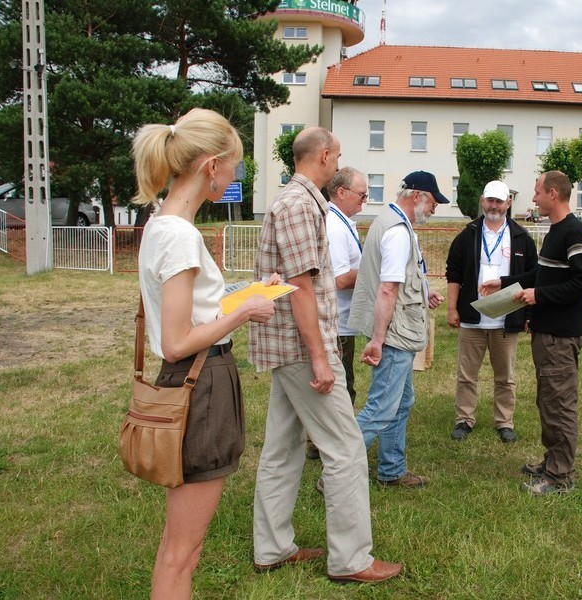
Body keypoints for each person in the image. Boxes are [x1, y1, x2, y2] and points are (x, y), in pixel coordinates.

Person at [132, 108, 278, 599]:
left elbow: (193, 310)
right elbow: (177, 340)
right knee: (183, 552)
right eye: (234, 165)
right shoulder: (180, 235)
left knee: (178, 547)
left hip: (194, 379)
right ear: (211, 166)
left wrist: (250, 293)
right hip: (200, 383)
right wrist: (245, 312)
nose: (236, 175)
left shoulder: (163, 224)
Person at [249, 127, 401, 584]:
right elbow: (300, 286)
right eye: (337, 156)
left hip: (292, 346)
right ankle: (351, 559)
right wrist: (320, 357)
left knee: (282, 447)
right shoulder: (299, 204)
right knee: (346, 449)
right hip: (303, 348)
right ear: (324, 156)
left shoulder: (296, 201)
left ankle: (272, 548)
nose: (338, 162)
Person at [481, 170, 582, 496]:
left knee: (560, 403)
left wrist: (539, 297)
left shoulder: (573, 232)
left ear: (553, 194)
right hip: (547, 333)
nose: (533, 198)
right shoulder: (557, 230)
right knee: (548, 400)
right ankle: (552, 462)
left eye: (537, 192)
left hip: (561, 336)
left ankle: (560, 476)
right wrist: (504, 283)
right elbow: (542, 274)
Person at [348, 171, 448, 487]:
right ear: (417, 196)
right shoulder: (397, 232)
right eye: (432, 203)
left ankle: (391, 470)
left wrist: (423, 292)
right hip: (394, 335)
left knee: (401, 403)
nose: (433, 210)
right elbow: (388, 288)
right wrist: (378, 341)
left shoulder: (389, 222)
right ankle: (336, 473)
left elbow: (399, 280)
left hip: (394, 332)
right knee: (380, 408)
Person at [445, 180, 537, 443]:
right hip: (472, 319)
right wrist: (452, 309)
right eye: (490, 200)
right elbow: (454, 274)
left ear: (508, 202)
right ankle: (464, 419)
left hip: (506, 319)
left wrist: (528, 316)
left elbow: (532, 277)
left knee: (505, 377)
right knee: (466, 375)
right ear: (482, 201)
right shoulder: (467, 235)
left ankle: (504, 422)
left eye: (499, 201)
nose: (494, 206)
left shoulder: (521, 237)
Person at [326, 166, 368, 405]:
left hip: (342, 322)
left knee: (343, 385)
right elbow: (340, 279)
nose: (365, 201)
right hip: (337, 325)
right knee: (341, 390)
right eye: (361, 195)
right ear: (341, 192)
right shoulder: (334, 226)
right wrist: (375, 270)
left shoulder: (342, 223)